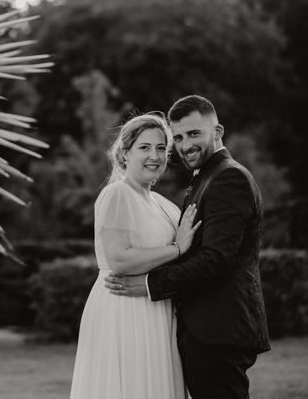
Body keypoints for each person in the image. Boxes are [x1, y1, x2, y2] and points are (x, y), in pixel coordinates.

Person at [104, 95, 271, 399]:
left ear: (217, 131)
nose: (185, 145)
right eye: (178, 137)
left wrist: (149, 285)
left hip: (218, 328)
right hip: (205, 328)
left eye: (194, 134)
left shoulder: (227, 177)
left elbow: (215, 261)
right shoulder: (206, 177)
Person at [70, 112, 200, 399]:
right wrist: (177, 248)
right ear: (124, 153)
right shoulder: (116, 194)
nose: (154, 156)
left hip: (159, 309)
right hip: (124, 309)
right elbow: (118, 260)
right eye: (144, 147)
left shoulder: (164, 204)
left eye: (160, 148)